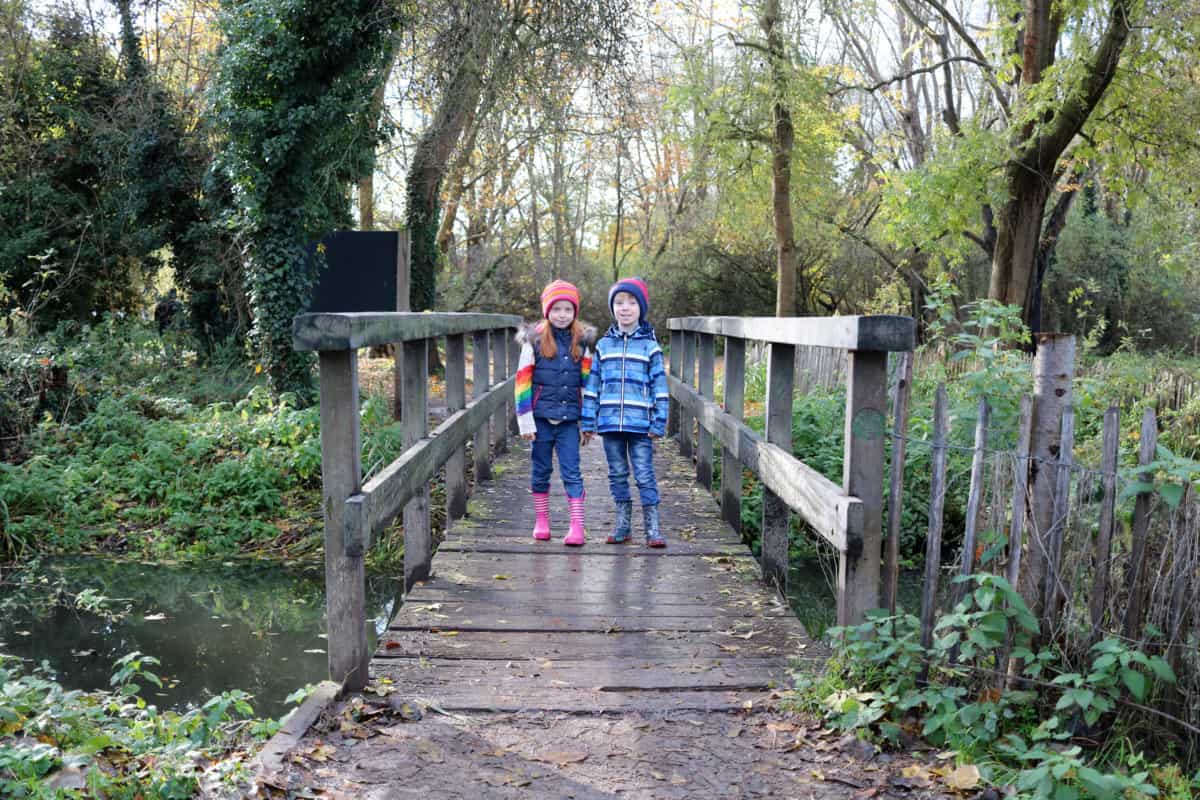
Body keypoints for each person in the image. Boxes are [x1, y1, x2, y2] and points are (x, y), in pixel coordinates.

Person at [581, 277, 669, 547]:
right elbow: (593, 386)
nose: (625, 308)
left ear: (641, 308)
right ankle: (623, 524)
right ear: (613, 309)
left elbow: (661, 388)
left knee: (644, 474)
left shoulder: (650, 347)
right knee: (617, 473)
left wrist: (659, 421)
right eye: (619, 303)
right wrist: (588, 420)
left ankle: (652, 528)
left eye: (632, 303)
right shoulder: (604, 347)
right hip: (609, 424)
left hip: (641, 423)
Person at [514, 280, 596, 546]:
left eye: (568, 309)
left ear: (575, 312)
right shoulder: (534, 342)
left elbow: (588, 385)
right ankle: (542, 520)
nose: (562, 314)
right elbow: (523, 382)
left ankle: (576, 526)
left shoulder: (582, 343)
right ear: (547, 310)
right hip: (540, 419)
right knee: (541, 469)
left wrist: (588, 421)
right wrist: (525, 421)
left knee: (572, 471)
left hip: (570, 419)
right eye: (557, 309)